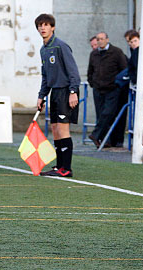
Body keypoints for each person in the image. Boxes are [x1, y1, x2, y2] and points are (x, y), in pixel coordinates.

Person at [35, 14, 81, 178]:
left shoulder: (61, 46)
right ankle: (59, 166)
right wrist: (41, 96)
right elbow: (45, 76)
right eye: (40, 25)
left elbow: (73, 71)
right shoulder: (43, 50)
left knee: (62, 129)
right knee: (55, 129)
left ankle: (66, 168)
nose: (43, 28)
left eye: (46, 25)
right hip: (54, 92)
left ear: (53, 27)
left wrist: (73, 92)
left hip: (66, 91)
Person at [87, 32, 128, 147]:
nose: (100, 41)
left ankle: (96, 135)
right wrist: (92, 83)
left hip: (112, 89)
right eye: (98, 39)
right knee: (101, 115)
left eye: (102, 39)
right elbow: (90, 70)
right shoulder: (94, 54)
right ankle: (105, 140)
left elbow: (124, 69)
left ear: (107, 39)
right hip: (98, 89)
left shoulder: (116, 52)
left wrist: (117, 83)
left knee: (108, 113)